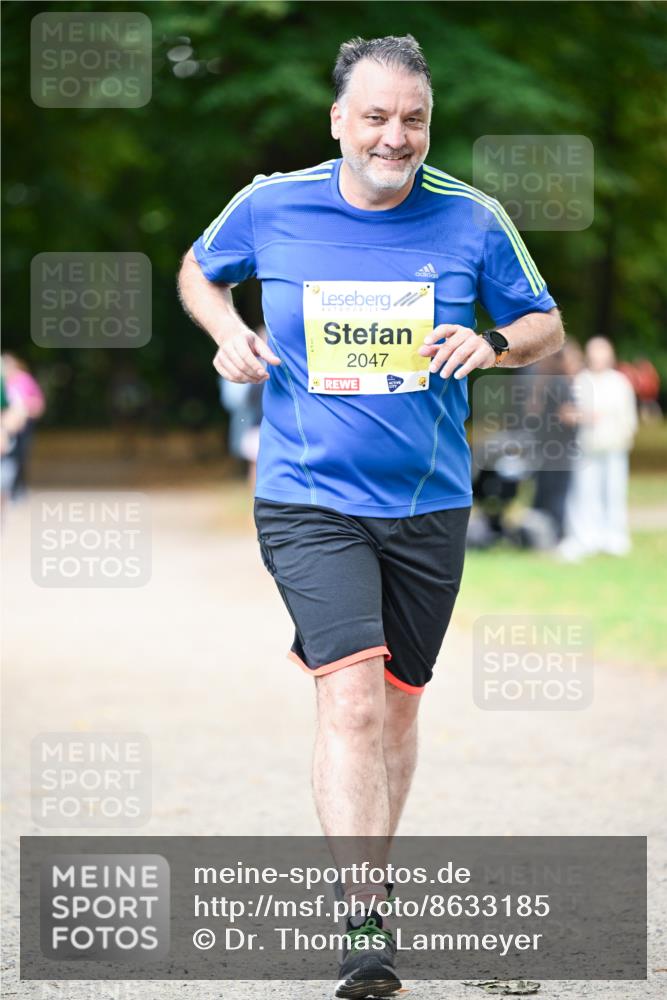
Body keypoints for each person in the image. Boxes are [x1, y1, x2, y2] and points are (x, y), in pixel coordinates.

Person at [178, 34, 563, 998]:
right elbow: (197, 269)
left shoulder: (472, 219)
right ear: (340, 120)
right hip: (307, 495)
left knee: (394, 706)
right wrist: (229, 334)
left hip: (429, 500)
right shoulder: (272, 203)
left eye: (414, 120)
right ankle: (364, 921)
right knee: (347, 695)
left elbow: (544, 324)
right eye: (379, 117)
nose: (396, 137)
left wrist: (489, 343)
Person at [558, 336, 638, 561]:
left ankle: (614, 537)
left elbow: (627, 417)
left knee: (614, 491)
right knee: (585, 493)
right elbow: (571, 412)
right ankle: (586, 537)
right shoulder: (582, 380)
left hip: (614, 445)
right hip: (587, 446)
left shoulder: (620, 382)